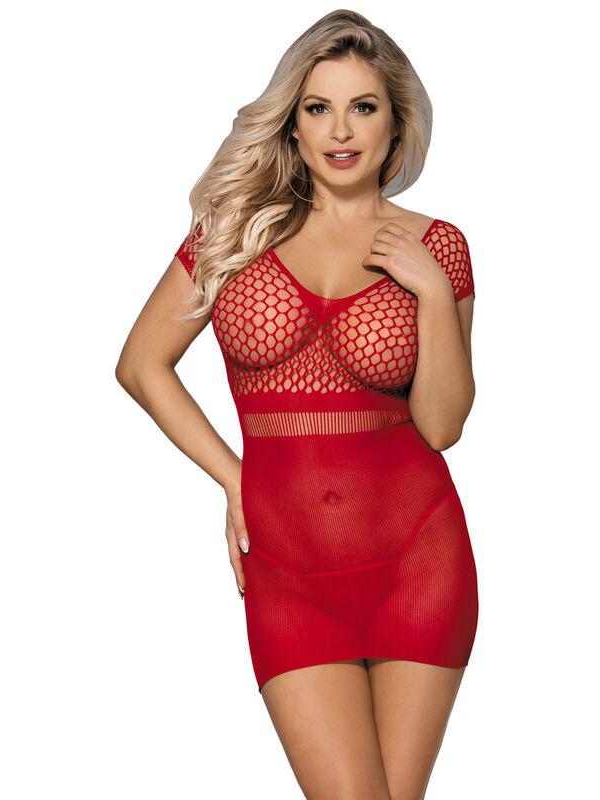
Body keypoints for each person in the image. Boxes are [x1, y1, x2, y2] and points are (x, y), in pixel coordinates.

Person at [116, 10, 478, 799]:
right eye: (318, 107)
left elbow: (444, 425)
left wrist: (429, 290)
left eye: (363, 107)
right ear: (293, 121)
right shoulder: (233, 233)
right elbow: (142, 365)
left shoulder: (437, 246)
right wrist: (233, 478)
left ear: (396, 122)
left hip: (420, 560)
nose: (340, 130)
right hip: (288, 573)